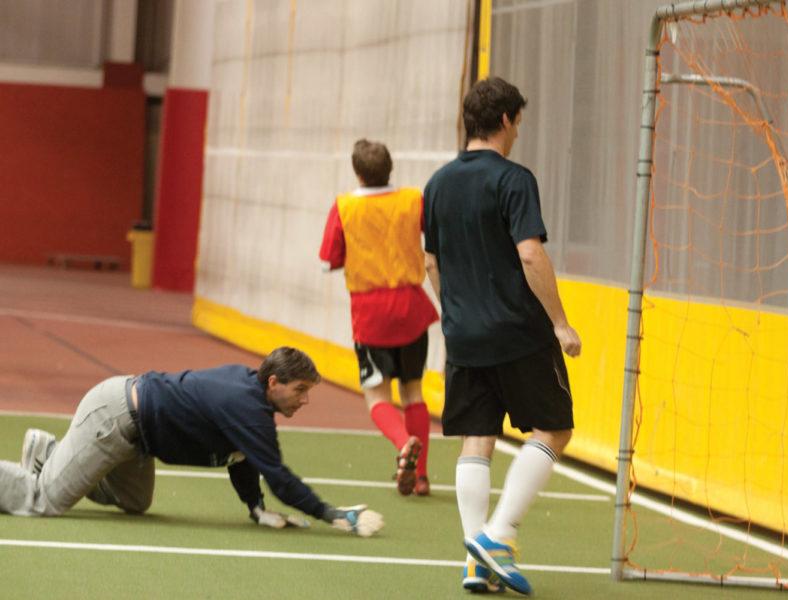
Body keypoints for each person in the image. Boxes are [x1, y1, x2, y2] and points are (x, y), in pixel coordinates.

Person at [423, 77, 582, 596]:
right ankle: (499, 534)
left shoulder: (438, 183)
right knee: (554, 429)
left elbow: (431, 261)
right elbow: (530, 252)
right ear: (508, 120)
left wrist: (457, 311)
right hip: (517, 331)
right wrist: (559, 323)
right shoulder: (514, 179)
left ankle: (474, 561)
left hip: (464, 335)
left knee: (478, 437)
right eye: (520, 123)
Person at [0, 347, 384, 537]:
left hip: (135, 438)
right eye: (299, 390)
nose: (304, 400)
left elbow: (242, 457)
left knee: (136, 502)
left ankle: (48, 452)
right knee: (43, 501)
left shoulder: (250, 399)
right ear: (273, 383)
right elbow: (278, 475)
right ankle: (50, 467)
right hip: (113, 419)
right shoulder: (246, 407)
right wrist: (335, 515)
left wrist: (256, 507)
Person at [319, 139, 439, 497]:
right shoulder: (413, 200)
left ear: (357, 172)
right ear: (391, 169)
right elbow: (433, 237)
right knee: (413, 390)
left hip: (371, 313)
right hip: (412, 307)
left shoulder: (345, 207)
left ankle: (403, 444)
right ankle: (420, 476)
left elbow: (328, 260)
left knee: (376, 395)